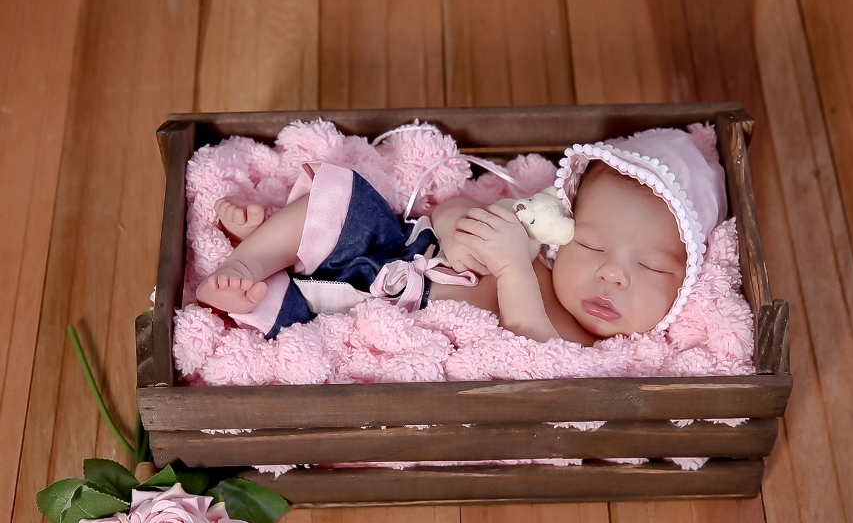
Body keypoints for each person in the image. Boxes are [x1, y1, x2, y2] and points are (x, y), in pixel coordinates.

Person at [196, 127, 727, 346]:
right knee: (343, 204)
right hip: (398, 249)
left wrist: (512, 270)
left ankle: (265, 275)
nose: (612, 273)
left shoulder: (590, 346)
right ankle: (253, 255)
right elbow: (450, 206)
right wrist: (457, 229)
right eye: (590, 245)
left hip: (386, 317)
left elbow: (532, 350)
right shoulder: (535, 244)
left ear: (685, 286)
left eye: (652, 266)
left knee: (298, 316)